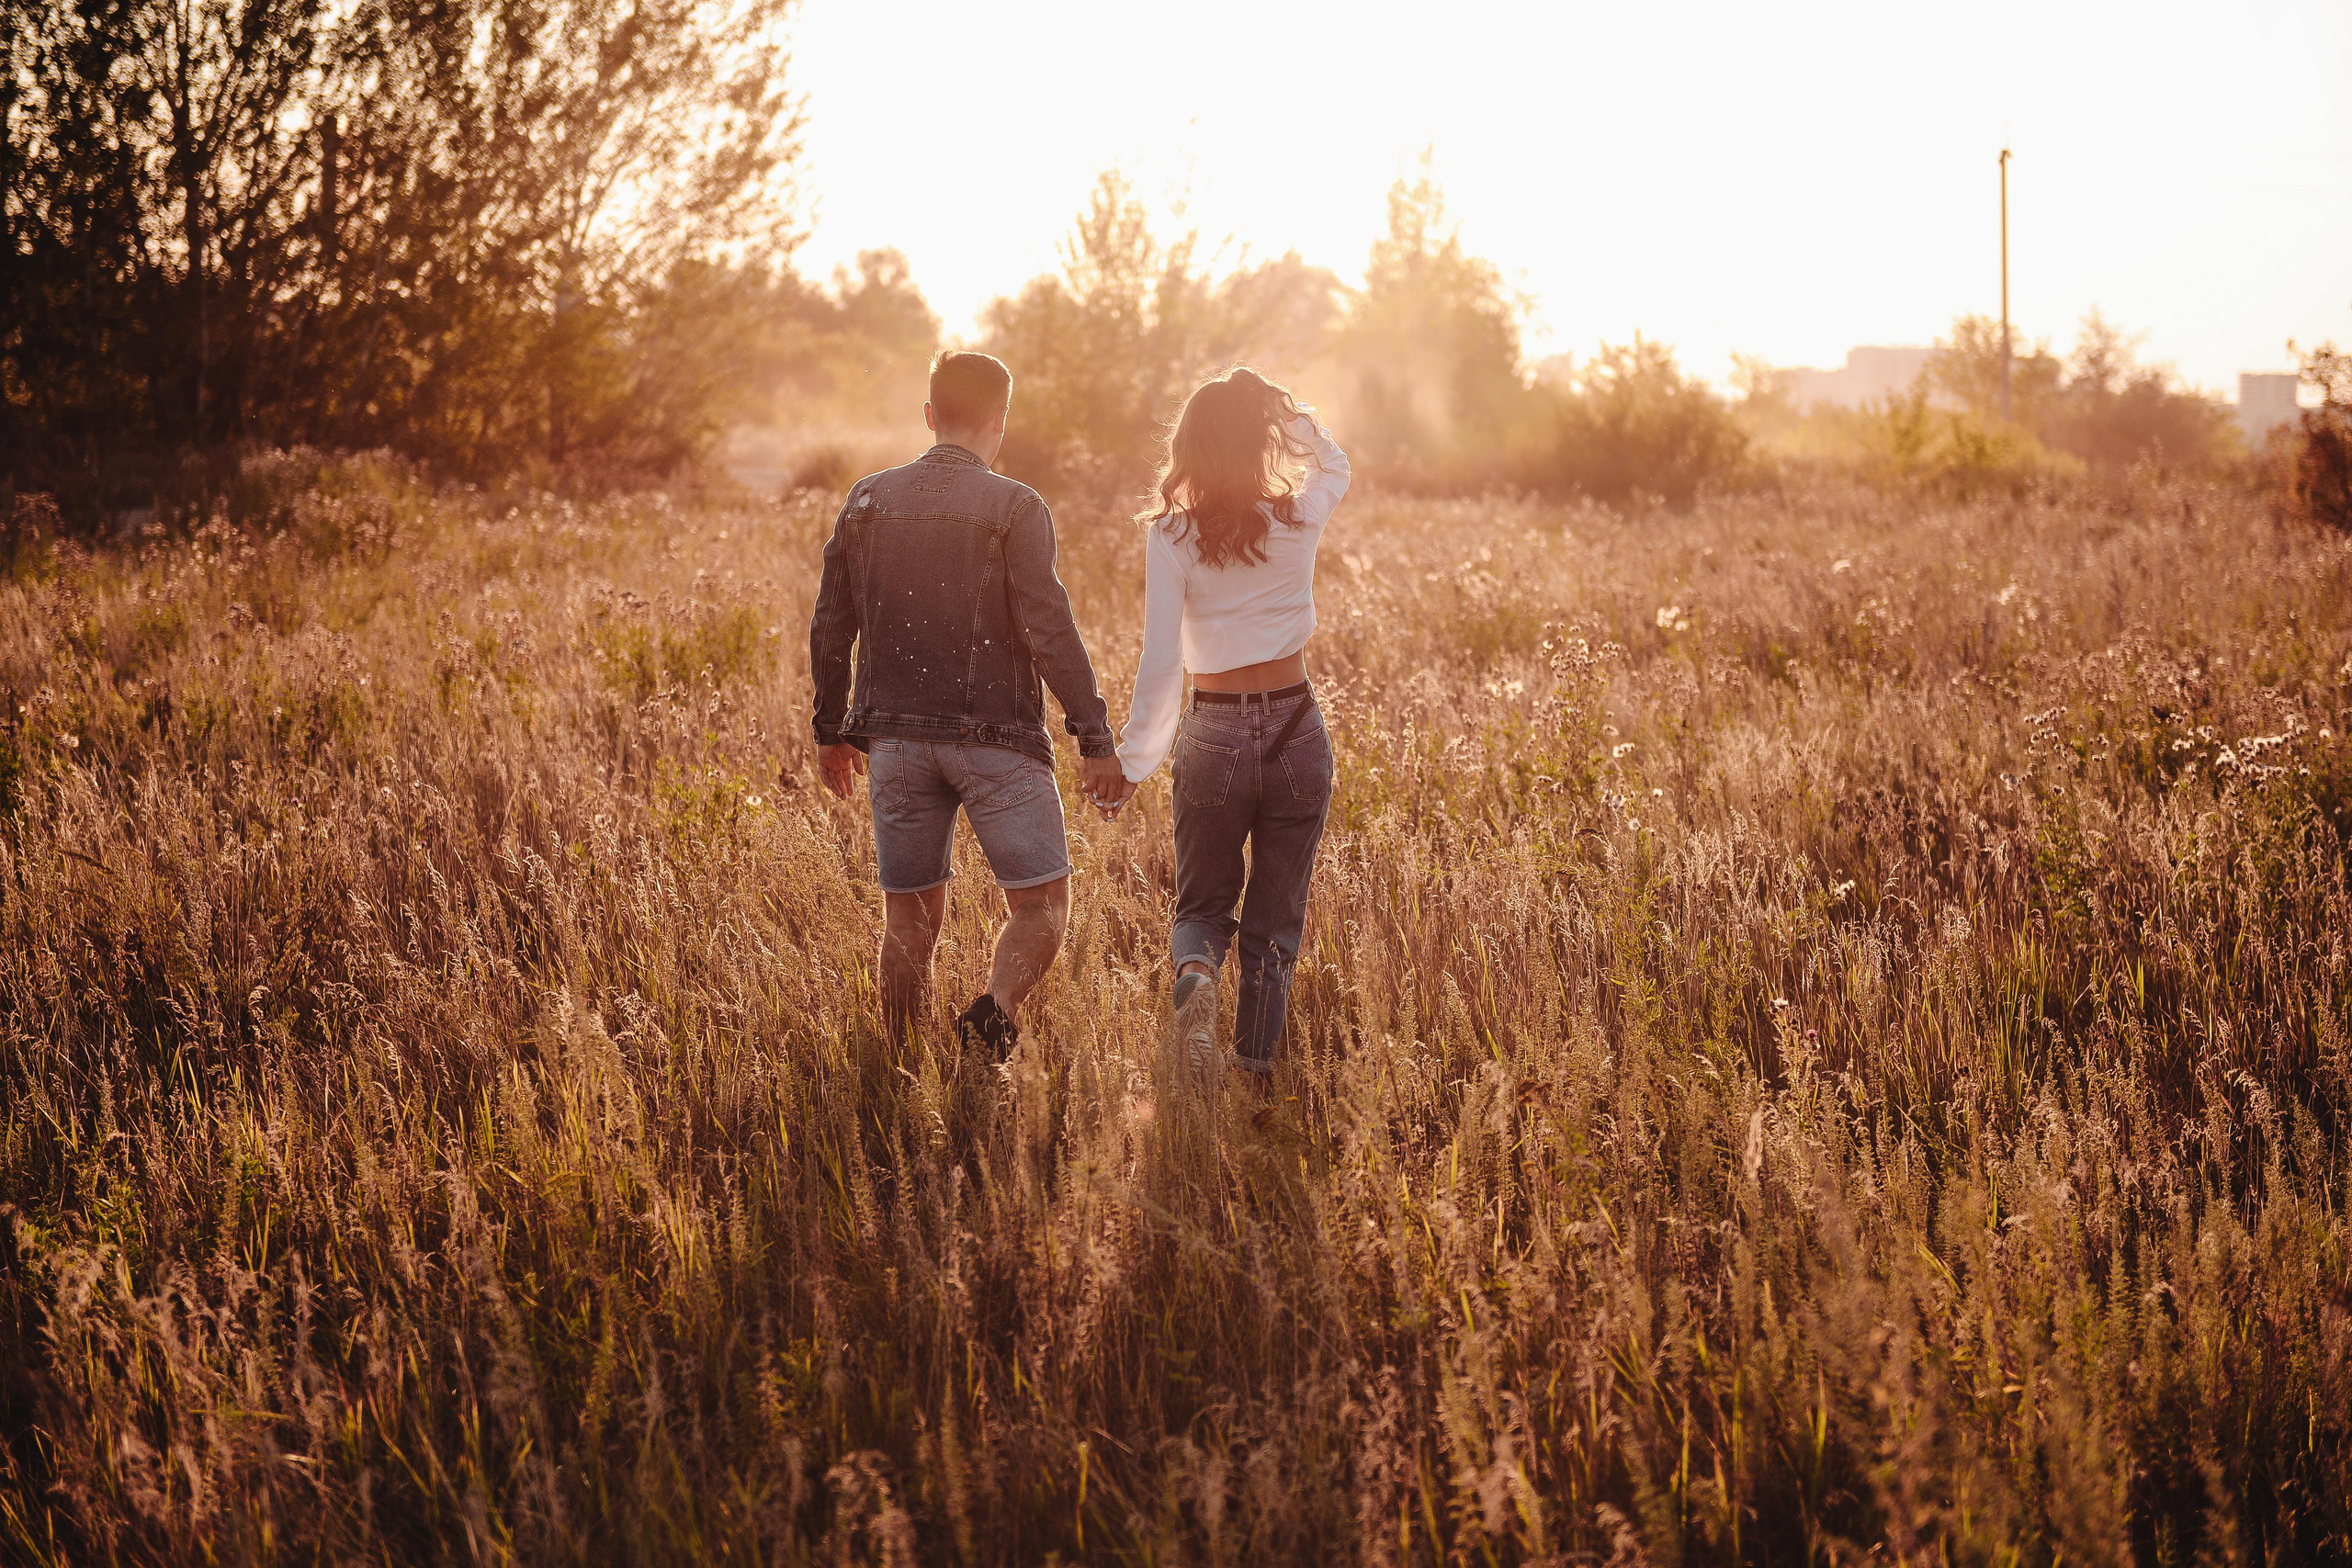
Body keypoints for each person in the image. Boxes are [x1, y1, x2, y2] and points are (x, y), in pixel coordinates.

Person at [808, 351, 1128, 1056]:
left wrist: (831, 731)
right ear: (999, 423)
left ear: (929, 416)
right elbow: (1048, 627)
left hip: (892, 744)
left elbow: (831, 624)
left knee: (908, 923)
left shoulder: (866, 499)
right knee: (1042, 905)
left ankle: (898, 1064)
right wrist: (1094, 736)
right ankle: (996, 1005)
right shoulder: (1015, 506)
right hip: (998, 740)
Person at [1099, 367, 1351, 1085]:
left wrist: (1134, 760)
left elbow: (1159, 657)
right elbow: (1338, 464)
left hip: (1214, 729)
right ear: (1259, 442)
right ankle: (1254, 1068)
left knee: (1204, 901)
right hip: (1297, 723)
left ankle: (1199, 969)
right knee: (1277, 917)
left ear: (1189, 448)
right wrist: (1280, 407)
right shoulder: (1297, 518)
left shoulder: (1170, 535)